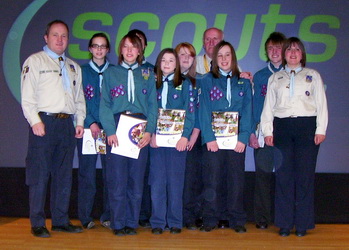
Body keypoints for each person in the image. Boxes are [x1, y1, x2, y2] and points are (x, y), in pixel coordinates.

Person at [20, 20, 86, 238]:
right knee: (40, 175)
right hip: (44, 124)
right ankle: (38, 222)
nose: (60, 39)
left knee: (64, 176)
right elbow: (27, 98)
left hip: (66, 125)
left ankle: (60, 220)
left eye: (64, 35)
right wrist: (35, 121)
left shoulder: (73, 67)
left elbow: (79, 100)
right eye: (55, 35)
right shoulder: (35, 61)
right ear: (46, 37)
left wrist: (79, 122)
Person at [260, 37, 328, 237]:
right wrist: (268, 131)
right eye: (289, 49)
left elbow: (322, 104)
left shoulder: (313, 75)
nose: (292, 53)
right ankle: (284, 223)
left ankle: (302, 224)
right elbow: (268, 108)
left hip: (306, 128)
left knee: (304, 177)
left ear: (302, 54)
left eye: (297, 49)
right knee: (284, 177)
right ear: (284, 54)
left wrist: (320, 129)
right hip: (282, 127)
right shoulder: (276, 78)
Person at [99, 33, 157, 236]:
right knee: (117, 178)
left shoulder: (148, 74)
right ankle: (117, 223)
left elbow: (152, 105)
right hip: (117, 125)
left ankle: (131, 223)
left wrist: (150, 131)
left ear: (140, 50)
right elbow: (104, 105)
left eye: (134, 47)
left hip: (139, 126)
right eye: (125, 47)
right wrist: (110, 131)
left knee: (136, 178)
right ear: (120, 50)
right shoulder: (110, 73)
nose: (130, 51)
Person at [198, 41, 252, 233]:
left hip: (236, 141)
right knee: (211, 180)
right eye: (219, 55)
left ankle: (236, 219)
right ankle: (211, 218)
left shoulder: (244, 83)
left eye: (227, 55)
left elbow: (248, 111)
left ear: (233, 57)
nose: (223, 59)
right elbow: (203, 110)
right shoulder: (205, 81)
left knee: (236, 181)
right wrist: (209, 137)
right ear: (214, 59)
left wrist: (243, 138)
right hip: (213, 141)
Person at [149, 48, 195, 235]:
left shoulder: (185, 84)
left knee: (176, 183)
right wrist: (150, 134)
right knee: (157, 182)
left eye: (171, 60)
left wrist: (185, 136)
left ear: (177, 64)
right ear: (159, 63)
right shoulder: (152, 84)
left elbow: (190, 112)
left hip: (178, 143)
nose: (167, 63)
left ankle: (175, 221)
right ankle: (158, 222)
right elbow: (149, 111)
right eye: (163, 60)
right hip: (157, 141)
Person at [249, 32, 286, 230]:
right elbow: (255, 107)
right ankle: (262, 218)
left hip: (285, 134)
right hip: (263, 134)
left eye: (278, 48)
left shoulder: (291, 74)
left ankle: (283, 219)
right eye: (270, 48)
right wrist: (252, 132)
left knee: (284, 178)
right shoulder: (260, 76)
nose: (274, 51)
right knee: (262, 178)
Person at [77, 33, 111, 230]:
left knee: (111, 174)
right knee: (86, 174)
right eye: (95, 46)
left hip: (109, 129)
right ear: (90, 49)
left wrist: (108, 124)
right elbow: (78, 100)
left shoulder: (114, 72)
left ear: (107, 50)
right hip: (89, 129)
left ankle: (107, 215)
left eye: (103, 46)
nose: (99, 50)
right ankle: (85, 217)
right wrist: (90, 122)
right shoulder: (80, 71)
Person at [174, 42, 203, 230]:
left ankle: (190, 216)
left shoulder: (200, 80)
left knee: (192, 178)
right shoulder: (166, 79)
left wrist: (193, 135)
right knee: (175, 178)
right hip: (171, 137)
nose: (185, 58)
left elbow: (202, 111)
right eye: (181, 54)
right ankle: (174, 215)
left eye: (190, 55)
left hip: (193, 136)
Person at [127, 29, 154, 229]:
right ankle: (122, 217)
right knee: (123, 176)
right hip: (123, 128)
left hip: (147, 130)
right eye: (130, 44)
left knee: (144, 175)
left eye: (139, 43)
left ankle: (143, 214)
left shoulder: (151, 70)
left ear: (143, 47)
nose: (135, 47)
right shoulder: (118, 70)